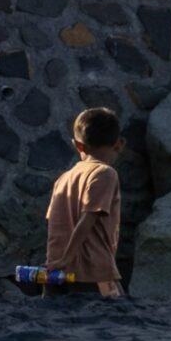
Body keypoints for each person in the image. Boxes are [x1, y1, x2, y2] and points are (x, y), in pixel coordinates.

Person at [44, 107, 125, 298]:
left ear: (77, 145)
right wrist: (68, 258)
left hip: (55, 273)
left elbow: (51, 222)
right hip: (93, 274)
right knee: (118, 318)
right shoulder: (105, 174)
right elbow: (89, 218)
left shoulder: (63, 178)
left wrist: (58, 261)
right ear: (118, 144)